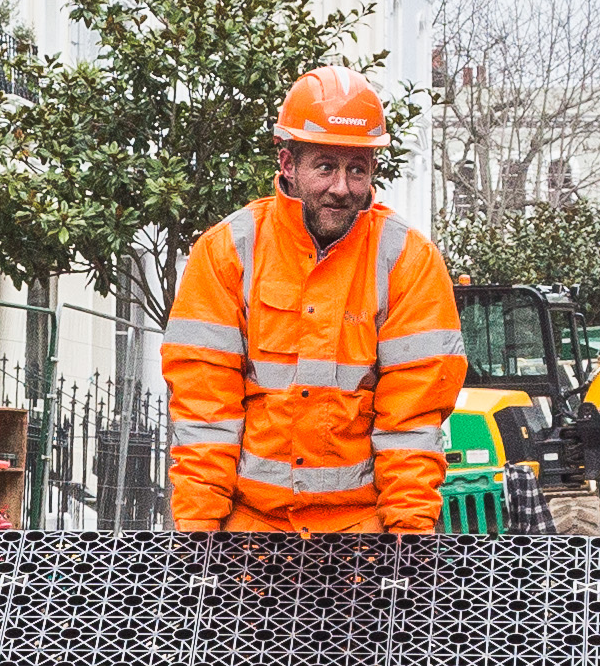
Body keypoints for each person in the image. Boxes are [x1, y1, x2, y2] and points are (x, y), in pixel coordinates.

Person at [163, 67, 463, 532]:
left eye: (356, 170)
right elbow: (205, 411)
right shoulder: (229, 251)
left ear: (373, 172)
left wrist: (409, 540)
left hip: (362, 538)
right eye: (325, 166)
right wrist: (199, 536)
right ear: (287, 164)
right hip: (250, 532)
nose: (341, 187)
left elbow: (412, 423)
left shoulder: (408, 260)